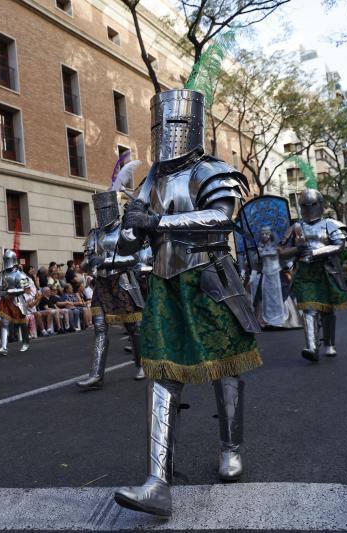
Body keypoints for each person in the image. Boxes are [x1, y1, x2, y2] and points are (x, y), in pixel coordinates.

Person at [112, 89, 262, 517]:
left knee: (226, 367)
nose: (166, 133)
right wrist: (130, 227)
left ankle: (230, 447)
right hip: (164, 283)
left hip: (209, 279)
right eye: (159, 125)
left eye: (174, 125)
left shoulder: (214, 169)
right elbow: (131, 236)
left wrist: (157, 221)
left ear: (193, 126)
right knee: (160, 373)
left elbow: (222, 217)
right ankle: (157, 481)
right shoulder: (153, 178)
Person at [77, 190, 150, 389]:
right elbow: (86, 263)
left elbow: (136, 258)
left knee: (134, 328)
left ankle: (141, 363)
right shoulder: (94, 234)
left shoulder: (126, 230)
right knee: (100, 328)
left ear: (113, 208)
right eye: (98, 209)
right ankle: (96, 376)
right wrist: (89, 262)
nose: (102, 213)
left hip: (123, 282)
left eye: (105, 208)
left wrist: (107, 261)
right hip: (102, 285)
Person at [284, 189, 347, 361]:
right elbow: (283, 251)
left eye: (312, 204)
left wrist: (315, 253)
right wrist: (296, 249)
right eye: (304, 205)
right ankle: (312, 346)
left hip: (326, 269)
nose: (308, 208)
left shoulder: (330, 224)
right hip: (304, 271)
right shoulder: (296, 227)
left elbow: (339, 246)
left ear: (319, 204)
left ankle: (329, 343)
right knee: (309, 309)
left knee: (327, 310)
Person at [252, 226, 301, 329]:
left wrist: (291, 267)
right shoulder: (259, 250)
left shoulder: (277, 248)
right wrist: (252, 277)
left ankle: (286, 320)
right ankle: (265, 322)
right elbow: (256, 265)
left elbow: (285, 259)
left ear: (271, 235)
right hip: (265, 275)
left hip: (278, 274)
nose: (264, 236)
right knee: (263, 295)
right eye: (262, 234)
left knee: (282, 293)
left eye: (266, 233)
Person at [0, 249, 30, 356]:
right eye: (5, 259)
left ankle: (26, 342)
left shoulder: (20, 274)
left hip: (17, 301)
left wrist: (12, 291)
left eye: (8, 259)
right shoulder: (2, 273)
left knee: (22, 323)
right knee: (4, 323)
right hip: (5, 301)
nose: (6, 261)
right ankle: (4, 347)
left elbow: (25, 289)